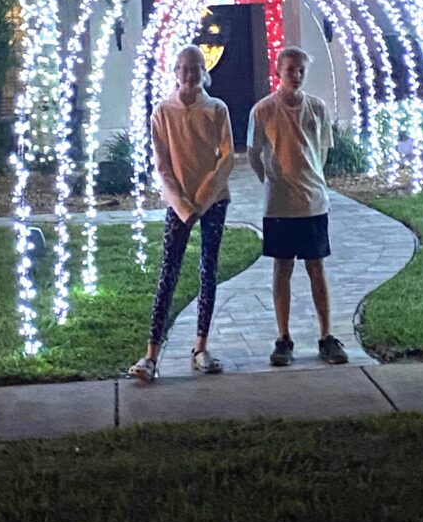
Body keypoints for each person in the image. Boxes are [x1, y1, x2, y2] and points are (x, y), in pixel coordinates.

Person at [130, 44, 234, 382]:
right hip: (179, 204)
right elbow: (162, 166)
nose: (190, 74)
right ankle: (151, 354)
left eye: (196, 67)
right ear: (176, 72)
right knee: (168, 273)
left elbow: (227, 158)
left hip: (214, 201)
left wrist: (202, 200)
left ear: (205, 71)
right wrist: (183, 205)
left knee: (208, 269)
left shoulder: (217, 108)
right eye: (185, 68)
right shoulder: (162, 112)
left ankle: (201, 347)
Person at [247, 46, 348, 366]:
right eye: (291, 68)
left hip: (313, 202)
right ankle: (283, 337)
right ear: (279, 70)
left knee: (316, 268)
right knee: (282, 269)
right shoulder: (262, 110)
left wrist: (312, 177)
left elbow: (323, 150)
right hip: (279, 205)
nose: (297, 74)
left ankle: (326, 335)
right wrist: (271, 180)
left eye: (301, 69)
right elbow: (254, 154)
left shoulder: (317, 109)